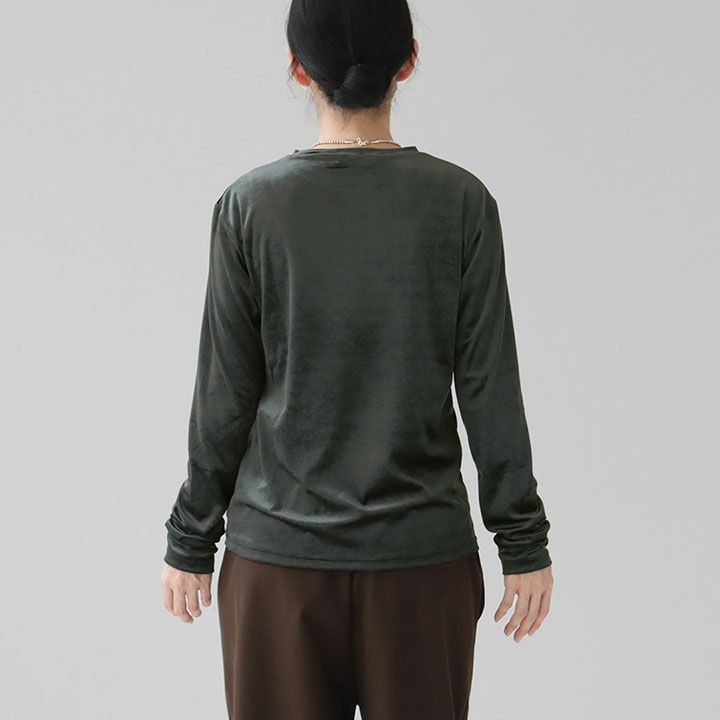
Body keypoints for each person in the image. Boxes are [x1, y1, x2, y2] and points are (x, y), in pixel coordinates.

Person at [161, 1, 554, 718]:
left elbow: (225, 393)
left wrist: (191, 538)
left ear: (297, 66)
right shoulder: (460, 203)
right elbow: (489, 385)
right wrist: (521, 541)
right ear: (407, 62)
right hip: (420, 565)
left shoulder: (250, 207)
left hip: (277, 566)